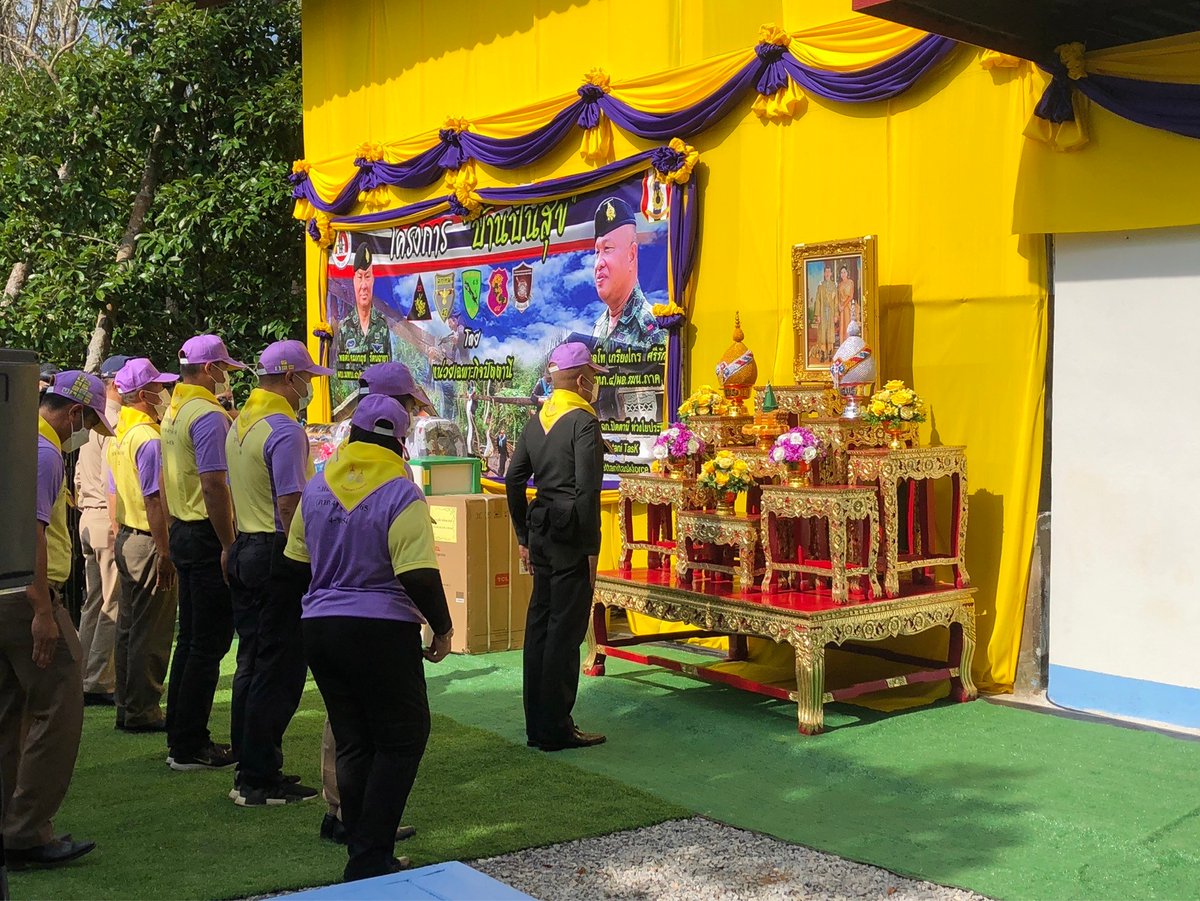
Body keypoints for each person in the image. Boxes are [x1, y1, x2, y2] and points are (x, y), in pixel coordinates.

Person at [285, 395, 453, 882]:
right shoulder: (402, 492)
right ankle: (369, 856)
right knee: (402, 738)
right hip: (382, 629)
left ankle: (362, 849)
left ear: (351, 434)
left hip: (321, 625)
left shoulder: (317, 488)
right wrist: (442, 627)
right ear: (401, 442)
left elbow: (293, 565)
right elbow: (417, 574)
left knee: (353, 739)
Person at [0, 371, 112, 868]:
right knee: (61, 704)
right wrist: (43, 610)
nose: (84, 432)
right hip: (29, 597)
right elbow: (32, 534)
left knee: (13, 711)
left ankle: (12, 824)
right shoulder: (44, 455)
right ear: (74, 414)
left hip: (10, 592)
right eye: (87, 421)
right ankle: (26, 834)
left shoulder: (19, 441)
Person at [319, 359, 433, 843]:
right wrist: (438, 622)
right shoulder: (389, 466)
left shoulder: (339, 457)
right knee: (384, 732)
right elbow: (408, 561)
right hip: (376, 611)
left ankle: (349, 814)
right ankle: (360, 823)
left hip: (327, 609)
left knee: (347, 724)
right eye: (408, 404)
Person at [225, 340, 330, 807]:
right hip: (276, 551)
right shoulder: (284, 429)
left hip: (247, 546)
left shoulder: (239, 423)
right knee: (281, 668)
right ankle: (260, 777)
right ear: (290, 379)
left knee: (252, 661)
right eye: (307, 379)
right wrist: (307, 559)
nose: (308, 388)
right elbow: (290, 503)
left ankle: (250, 768)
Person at [505, 341, 607, 752]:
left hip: (542, 532)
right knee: (565, 635)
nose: (594, 384)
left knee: (541, 628)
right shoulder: (583, 422)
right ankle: (558, 728)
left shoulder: (536, 421)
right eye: (593, 377)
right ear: (581, 379)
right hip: (571, 539)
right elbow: (587, 491)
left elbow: (514, 480)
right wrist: (590, 547)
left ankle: (537, 726)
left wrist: (523, 537)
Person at [160, 334, 243, 771]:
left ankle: (182, 737)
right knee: (206, 644)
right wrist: (229, 543)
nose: (227, 377)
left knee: (190, 640)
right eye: (224, 369)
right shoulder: (208, 415)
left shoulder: (174, 408)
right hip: (207, 534)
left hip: (184, 530)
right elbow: (213, 483)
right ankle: (191, 743)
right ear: (209, 370)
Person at [108, 358, 179, 734]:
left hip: (127, 536)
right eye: (157, 387)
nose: (162, 393)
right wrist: (166, 552)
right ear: (142, 394)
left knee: (129, 627)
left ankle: (127, 705)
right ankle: (144, 710)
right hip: (150, 540)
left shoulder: (121, 434)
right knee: (151, 631)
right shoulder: (148, 438)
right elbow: (154, 498)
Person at [75, 353, 129, 706]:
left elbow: (80, 476)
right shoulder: (115, 422)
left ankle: (81, 673)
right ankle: (97, 680)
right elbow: (116, 481)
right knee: (112, 602)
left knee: (94, 601)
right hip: (106, 518)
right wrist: (116, 525)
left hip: (87, 516)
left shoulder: (91, 421)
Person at [589, 196, 663, 352]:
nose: (599, 263)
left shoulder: (652, 328)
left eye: (607, 248)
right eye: (597, 252)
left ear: (631, 254)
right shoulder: (599, 326)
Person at [335, 244, 391, 388]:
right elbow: (341, 375)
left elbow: (388, 369)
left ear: (373, 281)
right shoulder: (345, 327)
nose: (364, 285)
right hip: (352, 405)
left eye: (367, 277)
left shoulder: (382, 325)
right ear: (353, 281)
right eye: (359, 277)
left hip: (378, 401)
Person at [810, 265, 837, 363]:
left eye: (829, 272)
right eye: (826, 272)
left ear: (831, 273)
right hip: (822, 312)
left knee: (829, 333)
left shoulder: (834, 286)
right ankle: (822, 353)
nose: (827, 274)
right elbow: (818, 300)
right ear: (824, 273)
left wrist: (835, 315)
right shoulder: (820, 286)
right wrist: (818, 315)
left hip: (830, 313)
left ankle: (830, 353)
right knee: (822, 333)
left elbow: (836, 301)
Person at [837, 265, 857, 344]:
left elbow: (851, 296)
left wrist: (843, 306)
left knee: (848, 325)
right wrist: (839, 306)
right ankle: (842, 345)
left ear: (847, 273)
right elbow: (838, 297)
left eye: (844, 272)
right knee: (842, 326)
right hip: (841, 308)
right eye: (841, 272)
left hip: (847, 307)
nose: (843, 274)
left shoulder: (850, 282)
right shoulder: (840, 284)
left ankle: (849, 345)